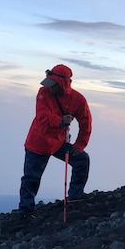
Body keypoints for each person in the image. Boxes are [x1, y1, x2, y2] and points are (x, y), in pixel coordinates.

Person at [18, 63, 92, 218]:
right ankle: (25, 212)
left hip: (57, 142)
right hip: (38, 142)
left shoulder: (78, 99)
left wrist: (80, 145)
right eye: (49, 84)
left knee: (82, 160)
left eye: (53, 85)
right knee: (31, 178)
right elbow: (42, 115)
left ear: (64, 83)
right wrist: (60, 121)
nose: (50, 88)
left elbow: (86, 122)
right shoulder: (43, 93)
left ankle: (75, 196)